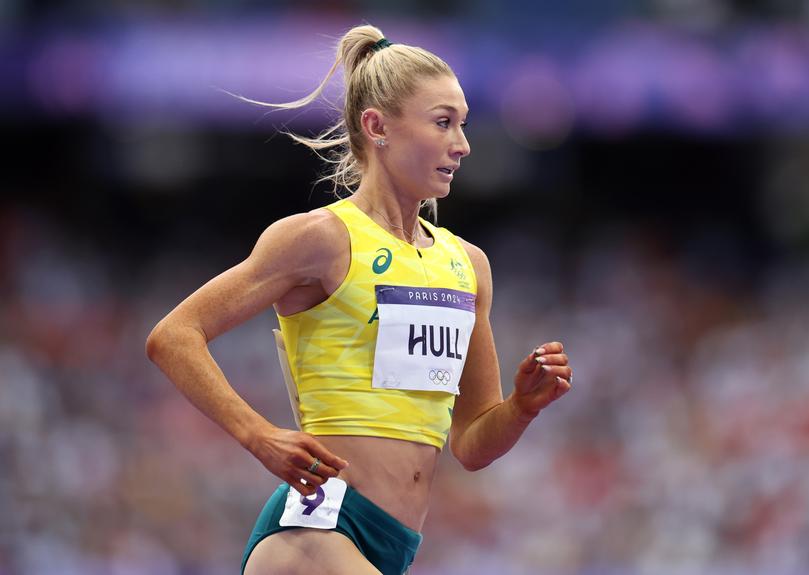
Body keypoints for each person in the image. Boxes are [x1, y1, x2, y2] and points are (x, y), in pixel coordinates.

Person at [146, 24, 572, 575]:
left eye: (463, 125)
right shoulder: (320, 239)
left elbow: (470, 444)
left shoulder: (468, 266)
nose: (462, 145)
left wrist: (521, 409)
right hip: (318, 529)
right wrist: (259, 435)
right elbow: (174, 336)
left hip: (392, 546)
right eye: (443, 123)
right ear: (377, 127)